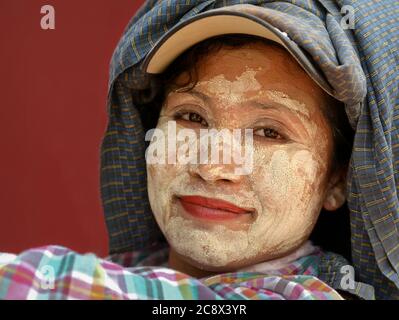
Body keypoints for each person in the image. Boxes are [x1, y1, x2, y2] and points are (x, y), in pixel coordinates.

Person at [1, 0, 398, 300]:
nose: (212, 167)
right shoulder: (125, 271)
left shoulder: (310, 294)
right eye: (192, 118)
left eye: (268, 132)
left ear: (337, 180)